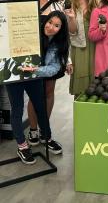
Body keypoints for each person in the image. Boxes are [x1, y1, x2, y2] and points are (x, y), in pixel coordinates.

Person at [7, 10, 69, 163]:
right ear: (44, 21)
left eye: (56, 26)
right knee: (17, 109)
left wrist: (36, 70)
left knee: (40, 106)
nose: (51, 27)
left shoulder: (57, 44)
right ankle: (22, 145)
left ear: (61, 29)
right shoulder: (30, 32)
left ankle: (46, 137)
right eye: (49, 23)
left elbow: (54, 68)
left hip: (34, 75)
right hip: (14, 75)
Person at [22, 0, 72, 146]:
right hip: (31, 54)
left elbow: (63, 36)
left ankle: (45, 128)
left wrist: (68, 60)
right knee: (33, 93)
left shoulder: (57, 6)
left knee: (48, 92)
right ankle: (33, 131)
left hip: (51, 55)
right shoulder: (27, 0)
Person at [64, 0, 98, 97]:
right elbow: (71, 32)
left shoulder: (96, 4)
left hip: (95, 47)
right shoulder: (70, 4)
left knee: (95, 82)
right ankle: (81, 112)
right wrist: (72, 18)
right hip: (79, 49)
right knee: (81, 86)